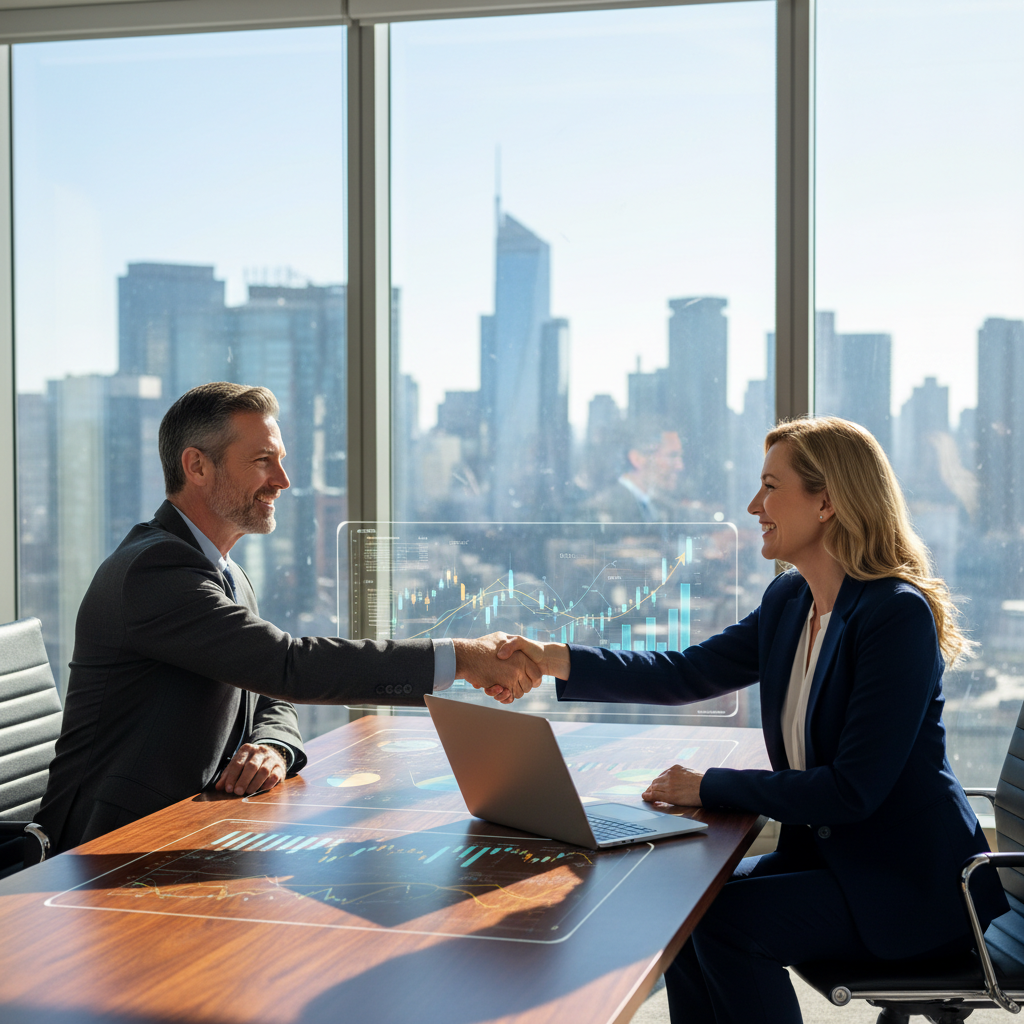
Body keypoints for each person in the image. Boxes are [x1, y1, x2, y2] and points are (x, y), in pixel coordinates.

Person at [498, 416, 1008, 1024]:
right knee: (681, 903)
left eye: (770, 486)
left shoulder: (895, 616)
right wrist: (555, 659)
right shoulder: (790, 600)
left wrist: (708, 785)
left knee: (725, 921)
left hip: (907, 886)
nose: (752, 505)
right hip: (834, 861)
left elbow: (853, 790)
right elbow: (687, 673)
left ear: (827, 502)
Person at [37, 382, 539, 853]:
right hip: (104, 847)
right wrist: (463, 659)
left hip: (194, 828)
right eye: (262, 461)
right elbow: (288, 666)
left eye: (280, 460)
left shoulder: (219, 568)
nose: (283, 480)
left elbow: (267, 690)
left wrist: (272, 745)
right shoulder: (156, 571)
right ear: (197, 466)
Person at [587, 428, 683, 523]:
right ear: (637, 459)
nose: (680, 466)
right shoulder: (605, 508)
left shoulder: (661, 505)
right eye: (672, 456)